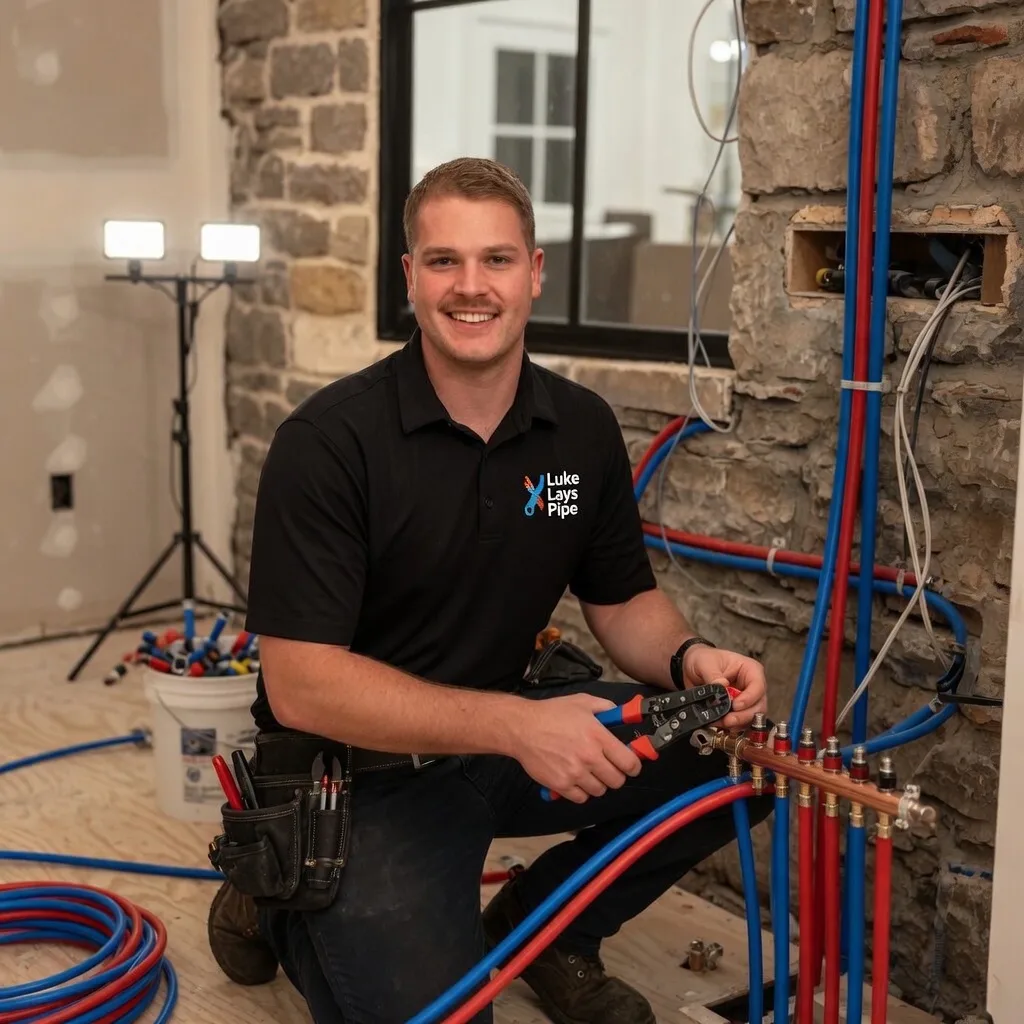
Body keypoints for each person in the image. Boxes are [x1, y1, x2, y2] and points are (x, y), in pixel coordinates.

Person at [208, 156, 772, 1024]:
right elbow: (301, 682)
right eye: (444, 261)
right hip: (360, 774)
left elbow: (622, 602)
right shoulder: (330, 442)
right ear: (410, 276)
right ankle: (276, 882)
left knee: (735, 763)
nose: (472, 287)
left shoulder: (580, 428)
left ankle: (545, 934)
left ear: (535, 271)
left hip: (509, 738)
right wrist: (519, 724)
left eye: (497, 260)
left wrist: (693, 658)